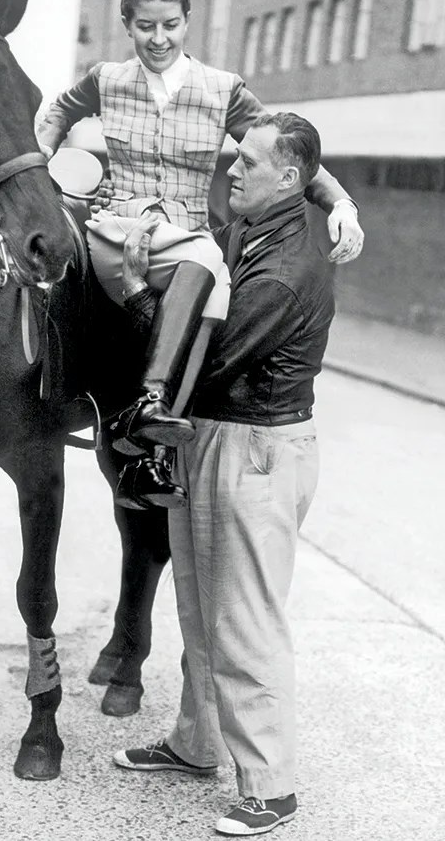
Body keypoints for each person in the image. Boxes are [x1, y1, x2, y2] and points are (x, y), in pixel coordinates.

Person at [37, 0, 363, 500]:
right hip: (118, 228)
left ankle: (153, 438)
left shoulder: (222, 90)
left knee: (215, 283)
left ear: (187, 23)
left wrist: (341, 203)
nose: (158, 38)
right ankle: (49, 393)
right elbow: (59, 113)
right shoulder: (106, 79)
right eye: (145, 26)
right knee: (61, 262)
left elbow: (294, 159)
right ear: (128, 26)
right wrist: (40, 159)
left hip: (186, 237)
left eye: (170, 25)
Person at [112, 112, 337, 837]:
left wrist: (140, 294)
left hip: (253, 446)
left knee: (244, 620)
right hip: (221, 436)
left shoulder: (285, 269)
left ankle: (271, 789)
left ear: (289, 178)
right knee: (199, 605)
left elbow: (202, 363)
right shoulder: (259, 222)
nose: (231, 170)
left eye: (247, 161)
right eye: (233, 158)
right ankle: (197, 743)